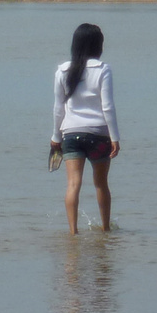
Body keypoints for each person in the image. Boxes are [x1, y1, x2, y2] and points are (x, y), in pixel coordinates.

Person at [51, 23, 120, 234]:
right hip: (99, 135)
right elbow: (107, 106)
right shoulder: (102, 70)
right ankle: (106, 229)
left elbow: (58, 107)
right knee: (101, 184)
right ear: (98, 45)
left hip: (71, 134)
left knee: (73, 184)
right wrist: (115, 137)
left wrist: (56, 137)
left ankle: (73, 232)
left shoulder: (62, 71)